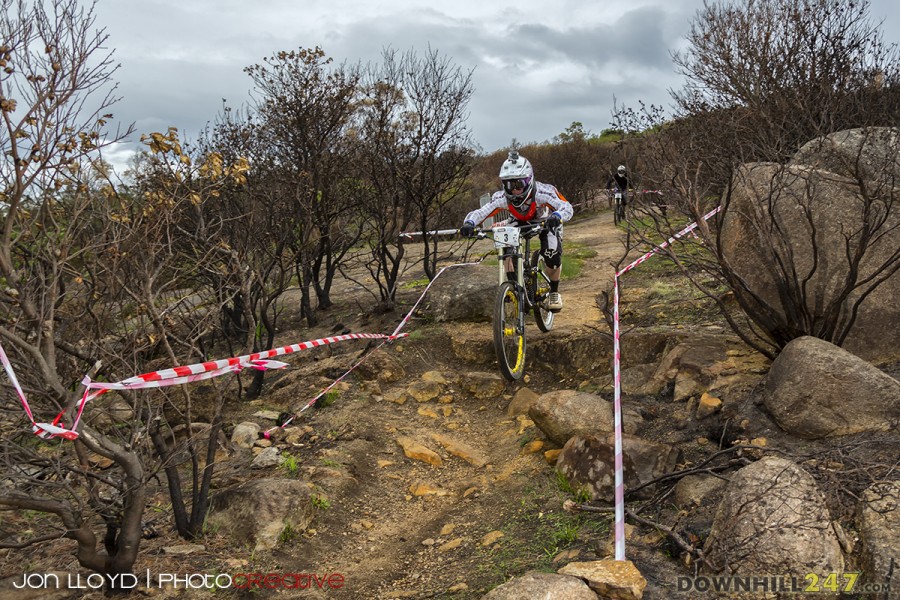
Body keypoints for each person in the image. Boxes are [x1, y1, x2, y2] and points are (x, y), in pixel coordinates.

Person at [459, 151, 573, 312]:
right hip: (518, 222)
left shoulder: (543, 192)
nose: (514, 190)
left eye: (519, 185)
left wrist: (558, 215)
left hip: (546, 221)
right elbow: (481, 212)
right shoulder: (502, 198)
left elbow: (566, 206)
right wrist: (469, 223)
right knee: (506, 250)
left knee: (552, 256)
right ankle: (514, 287)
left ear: (529, 180)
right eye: (509, 184)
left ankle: (554, 292)